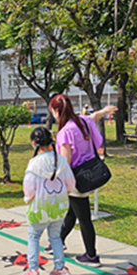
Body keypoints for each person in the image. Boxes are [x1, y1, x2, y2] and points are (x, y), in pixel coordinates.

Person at [50, 93, 113, 265]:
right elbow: (95, 116)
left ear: (56, 111)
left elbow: (65, 163)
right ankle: (58, 241)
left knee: (83, 218)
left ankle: (91, 255)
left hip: (77, 180)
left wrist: (57, 182)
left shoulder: (65, 132)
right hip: (91, 172)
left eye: (52, 112)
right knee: (72, 211)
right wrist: (106, 110)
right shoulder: (82, 121)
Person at [22, 127, 76, 275]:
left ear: (34, 143)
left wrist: (28, 199)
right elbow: (71, 183)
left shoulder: (34, 163)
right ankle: (60, 268)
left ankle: (33, 270)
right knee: (55, 237)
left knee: (34, 236)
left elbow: (29, 187)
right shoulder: (61, 161)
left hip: (39, 208)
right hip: (59, 207)